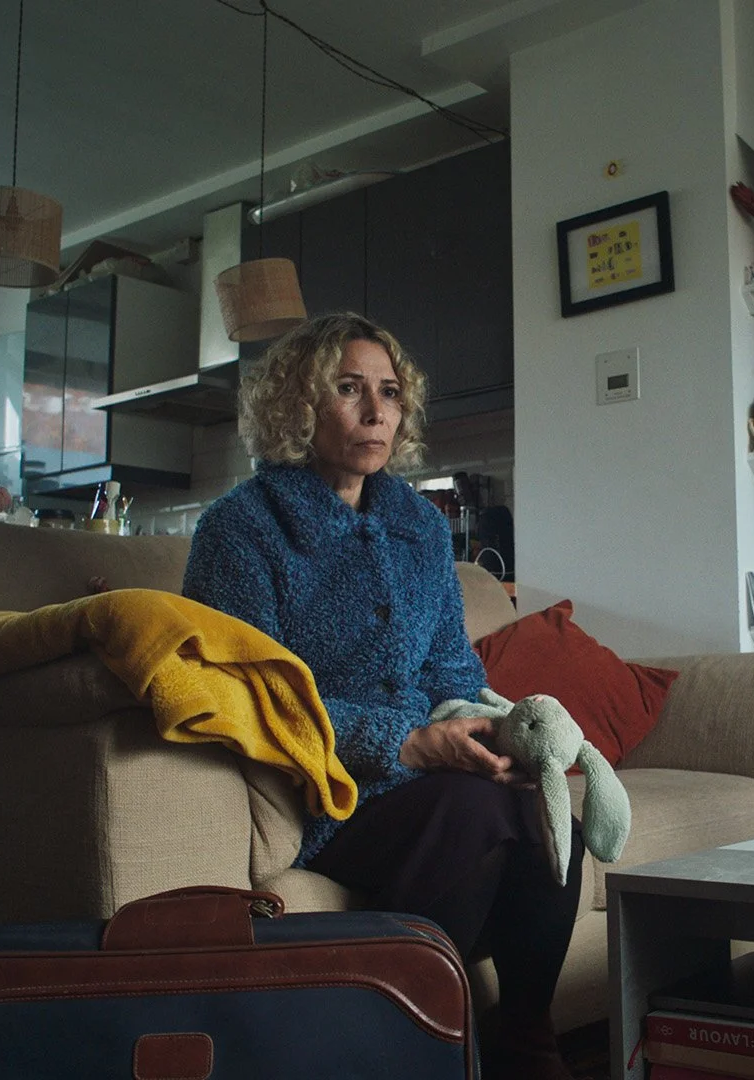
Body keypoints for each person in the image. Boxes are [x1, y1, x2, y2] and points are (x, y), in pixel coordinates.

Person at [182, 313, 580, 1080]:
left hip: (432, 775)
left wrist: (489, 733)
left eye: (390, 393)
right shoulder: (241, 529)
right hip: (327, 789)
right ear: (300, 403)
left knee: (543, 804)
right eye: (349, 389)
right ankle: (406, 1052)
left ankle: (529, 1043)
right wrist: (403, 744)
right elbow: (249, 695)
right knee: (471, 812)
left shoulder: (419, 527)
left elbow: (452, 669)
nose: (376, 412)